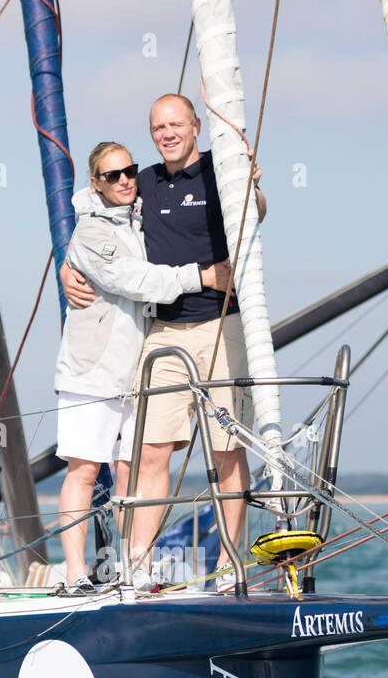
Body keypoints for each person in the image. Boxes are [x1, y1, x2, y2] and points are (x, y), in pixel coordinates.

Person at [62, 93, 266, 591]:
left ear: (196, 126)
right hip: (162, 331)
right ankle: (136, 566)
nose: (168, 133)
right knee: (150, 452)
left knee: (227, 450)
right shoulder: (144, 182)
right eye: (158, 127)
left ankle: (230, 568)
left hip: (222, 325)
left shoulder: (222, 171)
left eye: (176, 124)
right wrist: (67, 267)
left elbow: (255, 212)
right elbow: (93, 218)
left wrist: (252, 187)